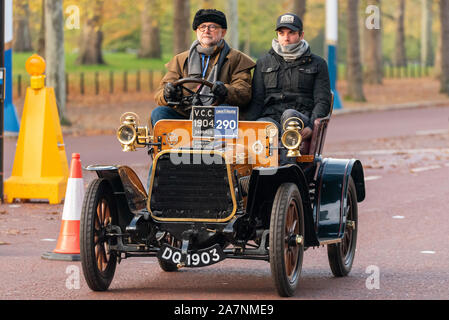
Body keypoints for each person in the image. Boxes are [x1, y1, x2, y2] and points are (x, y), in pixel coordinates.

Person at [151, 9, 256, 127]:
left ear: (223, 32)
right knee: (159, 113)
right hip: (185, 113)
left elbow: (244, 93)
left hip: (217, 112)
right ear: (196, 31)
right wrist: (167, 93)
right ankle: (169, 145)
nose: (206, 31)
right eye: (202, 27)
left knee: (225, 110)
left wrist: (226, 91)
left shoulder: (236, 59)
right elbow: (159, 94)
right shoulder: (181, 59)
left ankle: (220, 145)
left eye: (212, 27)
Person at [246, 13, 332, 155]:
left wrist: (311, 126)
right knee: (262, 126)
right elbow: (257, 100)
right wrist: (247, 126)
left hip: (300, 118)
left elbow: (322, 100)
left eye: (291, 33)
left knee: (289, 116)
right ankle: (260, 173)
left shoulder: (318, 63)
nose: (286, 38)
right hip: (271, 118)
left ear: (301, 35)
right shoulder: (263, 62)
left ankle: (288, 170)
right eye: (281, 33)